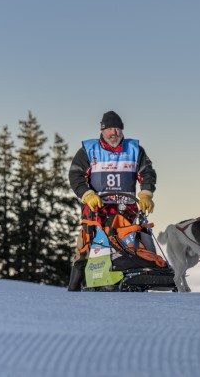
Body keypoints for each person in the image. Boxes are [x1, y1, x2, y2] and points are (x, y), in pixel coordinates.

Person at [67, 110, 157, 291]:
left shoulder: (135, 150)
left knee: (136, 245)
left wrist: (146, 193)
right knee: (83, 250)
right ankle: (74, 292)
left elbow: (147, 172)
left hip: (126, 213)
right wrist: (87, 194)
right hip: (96, 212)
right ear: (102, 131)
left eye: (117, 129)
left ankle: (138, 279)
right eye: (109, 129)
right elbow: (75, 175)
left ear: (122, 130)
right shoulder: (88, 150)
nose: (113, 133)